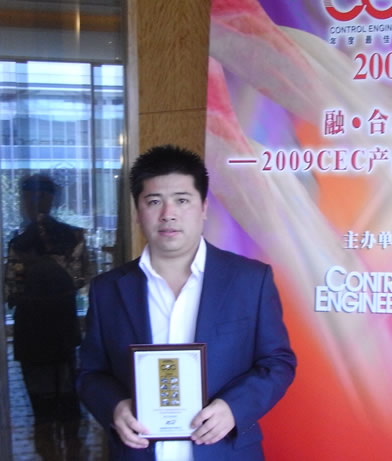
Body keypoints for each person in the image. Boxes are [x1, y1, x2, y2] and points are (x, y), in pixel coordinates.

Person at [77, 145, 296, 461]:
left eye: (182, 200)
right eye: (154, 201)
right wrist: (114, 407)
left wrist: (234, 408)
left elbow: (277, 362)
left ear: (204, 207)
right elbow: (90, 372)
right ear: (137, 212)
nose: (168, 214)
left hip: (225, 452)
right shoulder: (107, 290)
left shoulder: (250, 280)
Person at [4, 174, 88, 458]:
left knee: (48, 403)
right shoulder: (72, 237)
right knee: (63, 397)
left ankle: (56, 451)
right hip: (57, 326)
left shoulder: (20, 242)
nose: (32, 202)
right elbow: (79, 279)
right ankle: (67, 450)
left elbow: (11, 291)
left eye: (36, 196)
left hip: (38, 328)